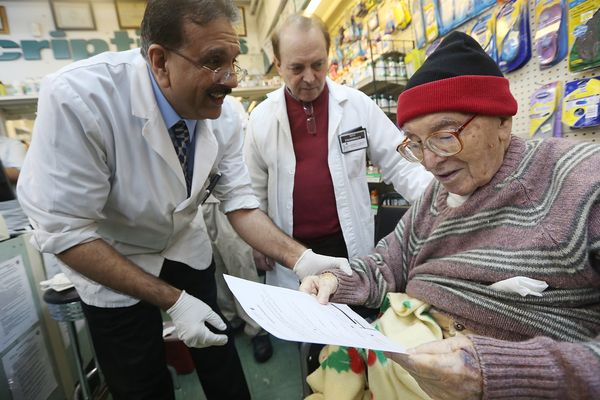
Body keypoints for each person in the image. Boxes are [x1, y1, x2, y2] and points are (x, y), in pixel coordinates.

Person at [17, 1, 350, 399]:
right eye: (213, 61)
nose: (229, 79)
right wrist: (174, 302)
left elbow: (240, 202)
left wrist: (302, 259)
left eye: (233, 60)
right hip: (109, 251)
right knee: (139, 378)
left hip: (181, 242)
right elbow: (66, 233)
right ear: (159, 61)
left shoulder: (222, 116)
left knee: (219, 352)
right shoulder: (81, 98)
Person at [300, 31, 600, 399]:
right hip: (392, 359)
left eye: (445, 134)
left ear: (502, 121)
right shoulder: (435, 199)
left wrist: (496, 372)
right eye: (416, 143)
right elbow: (388, 262)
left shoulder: (580, 184)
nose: (431, 162)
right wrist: (337, 281)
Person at [244, 14, 433, 290]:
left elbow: (400, 163)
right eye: (297, 68)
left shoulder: (356, 105)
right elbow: (253, 191)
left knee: (355, 325)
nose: (309, 78)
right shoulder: (261, 118)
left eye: (318, 65)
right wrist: (259, 241)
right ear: (278, 64)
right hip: (290, 253)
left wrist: (443, 202)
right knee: (297, 329)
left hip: (348, 246)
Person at [202, 95, 273, 363]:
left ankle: (257, 328)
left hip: (226, 196)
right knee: (213, 265)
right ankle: (230, 317)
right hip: (196, 201)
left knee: (240, 263)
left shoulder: (229, 107)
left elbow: (240, 158)